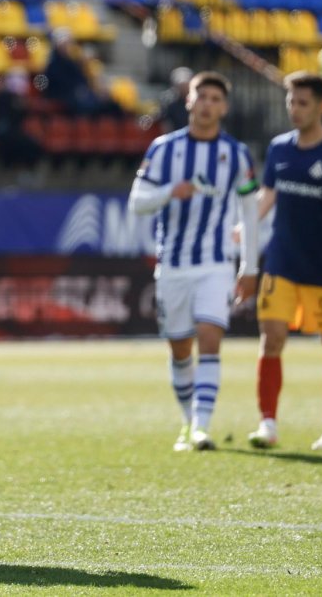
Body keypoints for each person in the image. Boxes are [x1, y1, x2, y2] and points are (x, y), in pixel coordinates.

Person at [128, 72, 260, 452]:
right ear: (189, 101)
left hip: (216, 263)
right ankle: (187, 422)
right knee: (180, 348)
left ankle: (202, 426)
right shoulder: (163, 149)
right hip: (172, 265)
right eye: (202, 97)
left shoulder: (236, 153)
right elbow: (137, 202)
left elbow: (250, 212)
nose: (207, 105)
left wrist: (250, 267)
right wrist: (171, 192)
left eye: (216, 99)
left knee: (209, 337)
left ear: (225, 108)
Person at [248, 72, 322, 451]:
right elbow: (267, 194)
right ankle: (267, 423)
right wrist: (246, 227)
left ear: (321, 106)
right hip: (281, 260)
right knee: (272, 338)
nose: (294, 110)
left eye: (302, 103)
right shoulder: (279, 148)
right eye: (290, 102)